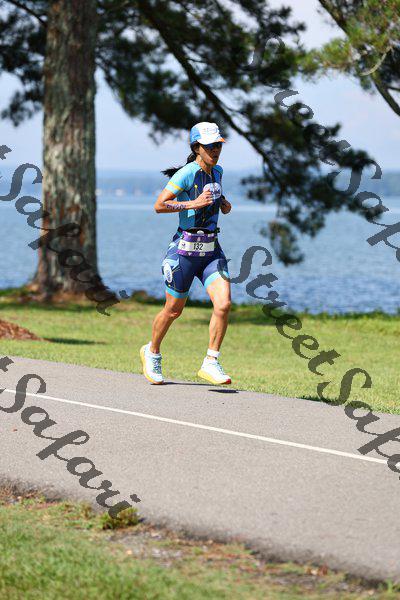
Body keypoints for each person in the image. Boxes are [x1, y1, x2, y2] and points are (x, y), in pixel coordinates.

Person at [140, 121, 233, 385]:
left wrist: (223, 204)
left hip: (211, 250)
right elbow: (159, 205)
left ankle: (211, 361)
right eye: (210, 146)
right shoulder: (185, 174)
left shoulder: (218, 172)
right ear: (196, 148)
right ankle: (152, 352)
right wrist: (193, 203)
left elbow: (214, 197)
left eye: (218, 145)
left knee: (223, 304)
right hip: (184, 250)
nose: (215, 150)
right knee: (173, 310)